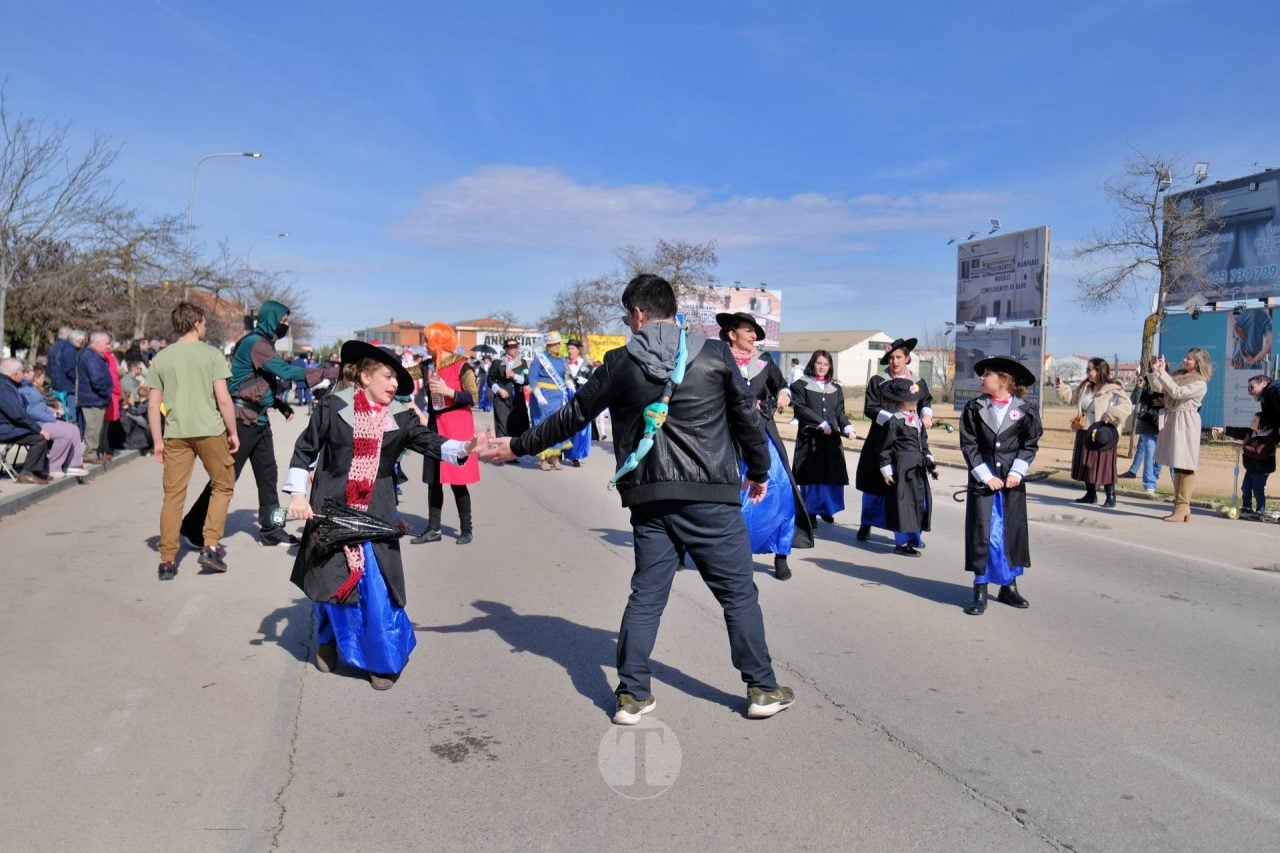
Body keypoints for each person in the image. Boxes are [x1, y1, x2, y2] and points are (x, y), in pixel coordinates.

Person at [479, 274, 796, 724]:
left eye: (628, 315)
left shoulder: (619, 363)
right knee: (738, 594)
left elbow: (573, 415)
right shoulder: (715, 354)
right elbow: (746, 416)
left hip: (649, 497)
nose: (629, 323)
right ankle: (762, 689)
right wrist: (759, 472)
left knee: (646, 596)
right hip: (711, 496)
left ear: (640, 313)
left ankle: (632, 696)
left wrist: (515, 445)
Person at [284, 341, 482, 690]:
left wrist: (464, 448)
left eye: (396, 379)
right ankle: (328, 639)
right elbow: (304, 451)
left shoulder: (401, 416)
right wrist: (298, 495)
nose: (393, 385)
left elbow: (429, 442)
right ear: (364, 376)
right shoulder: (332, 407)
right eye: (387, 376)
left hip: (376, 513)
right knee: (331, 584)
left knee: (376, 589)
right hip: (331, 510)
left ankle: (381, 658)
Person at [180, 300, 338, 548]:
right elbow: (285, 372)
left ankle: (272, 529)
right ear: (271, 319)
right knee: (225, 478)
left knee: (268, 476)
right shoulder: (256, 344)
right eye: (283, 321)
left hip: (259, 422)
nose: (285, 325)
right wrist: (327, 373)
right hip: (242, 422)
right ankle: (192, 527)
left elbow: (256, 383)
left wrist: (277, 403)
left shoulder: (264, 344)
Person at [144, 302, 241, 580]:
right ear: (196, 322)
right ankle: (210, 544)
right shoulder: (212, 355)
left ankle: (167, 559)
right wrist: (232, 432)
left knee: (173, 495)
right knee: (223, 485)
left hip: (175, 432)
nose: (206, 326)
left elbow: (153, 405)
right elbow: (223, 398)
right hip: (209, 429)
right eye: (204, 322)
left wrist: (157, 440)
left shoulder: (162, 358)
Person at [717, 311, 813, 580]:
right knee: (730, 496)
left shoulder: (764, 362)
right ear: (732, 334)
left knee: (780, 492)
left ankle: (781, 554)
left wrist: (783, 394)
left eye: (755, 332)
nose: (753, 336)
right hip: (728, 435)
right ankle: (724, 551)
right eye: (748, 330)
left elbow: (782, 386)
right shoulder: (719, 360)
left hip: (762, 435)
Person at [959, 357, 1042, 615]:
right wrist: (985, 476)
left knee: (1010, 532)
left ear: (1003, 380)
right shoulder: (974, 408)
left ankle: (1009, 586)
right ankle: (980, 588)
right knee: (982, 533)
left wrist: (1018, 471)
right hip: (983, 483)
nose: (981, 378)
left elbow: (1030, 444)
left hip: (1011, 483)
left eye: (986, 374)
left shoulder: (1025, 410)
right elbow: (969, 445)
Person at [855, 338, 932, 543]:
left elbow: (925, 401)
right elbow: (870, 408)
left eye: (898, 357)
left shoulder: (917, 382)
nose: (894, 361)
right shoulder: (878, 380)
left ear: (907, 358)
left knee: (906, 488)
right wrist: (895, 420)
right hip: (881, 438)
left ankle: (908, 532)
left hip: (908, 442)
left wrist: (926, 415)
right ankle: (867, 522)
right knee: (875, 485)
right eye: (891, 358)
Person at [411, 323, 480, 545]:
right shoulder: (428, 366)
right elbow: (404, 374)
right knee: (434, 480)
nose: (425, 345)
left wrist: (449, 392)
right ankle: (434, 529)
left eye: (427, 340)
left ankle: (466, 529)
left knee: (457, 481)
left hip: (456, 426)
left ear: (437, 341)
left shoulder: (462, 366)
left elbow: (473, 397)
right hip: (433, 426)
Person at [790, 349, 857, 526]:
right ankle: (810, 511)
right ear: (813, 363)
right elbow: (800, 409)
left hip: (831, 439)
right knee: (812, 477)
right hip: (811, 437)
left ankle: (826, 508)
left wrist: (848, 426)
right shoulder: (800, 385)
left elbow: (839, 413)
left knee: (830, 475)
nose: (822, 367)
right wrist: (820, 422)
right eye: (819, 363)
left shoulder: (835, 388)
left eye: (826, 364)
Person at [1146, 348, 1212, 522]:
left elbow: (1177, 393)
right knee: (1176, 463)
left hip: (1186, 421)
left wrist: (1162, 372)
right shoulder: (1178, 376)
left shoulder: (1200, 383)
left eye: (1189, 359)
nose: (1184, 360)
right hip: (1173, 419)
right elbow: (1160, 387)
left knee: (1185, 463)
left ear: (1198, 362)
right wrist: (1155, 371)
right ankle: (1180, 507)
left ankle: (1182, 506)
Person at [876, 378, 936, 557]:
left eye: (917, 399)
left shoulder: (917, 421)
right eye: (911, 399)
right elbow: (885, 449)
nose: (915, 402)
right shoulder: (894, 421)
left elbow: (923, 445)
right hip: (902, 469)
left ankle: (914, 538)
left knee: (920, 504)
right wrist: (886, 471)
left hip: (918, 469)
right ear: (901, 400)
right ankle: (901, 543)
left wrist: (931, 463)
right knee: (904, 505)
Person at [1069, 358, 1131, 508]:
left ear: (1099, 370)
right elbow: (1072, 399)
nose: (1087, 373)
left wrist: (1111, 414)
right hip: (1085, 429)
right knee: (1085, 463)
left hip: (1103, 432)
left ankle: (1111, 496)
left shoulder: (1113, 388)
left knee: (1105, 464)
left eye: (1089, 369)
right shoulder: (1086, 387)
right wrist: (1060, 387)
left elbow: (1126, 406)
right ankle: (1091, 494)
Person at [18, 364, 86, 478]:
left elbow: (41, 407)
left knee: (74, 429)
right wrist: (51, 416)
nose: (31, 373)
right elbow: (30, 411)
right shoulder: (22, 390)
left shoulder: (29, 388)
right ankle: (53, 466)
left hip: (44, 419)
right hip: (37, 423)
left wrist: (53, 412)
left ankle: (73, 464)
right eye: (28, 371)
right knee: (65, 433)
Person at [526, 332, 574, 470]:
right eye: (556, 344)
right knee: (543, 427)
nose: (559, 346)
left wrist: (569, 383)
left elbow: (566, 375)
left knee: (557, 426)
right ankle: (543, 459)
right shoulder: (539, 359)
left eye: (559, 343)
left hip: (557, 398)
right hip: (543, 398)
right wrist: (538, 394)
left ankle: (555, 458)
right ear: (549, 345)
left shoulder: (562, 360)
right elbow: (532, 378)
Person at [0, 358, 52, 484]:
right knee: (39, 438)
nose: (24, 375)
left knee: (44, 435)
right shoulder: (4, 387)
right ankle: (26, 473)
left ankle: (37, 471)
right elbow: (17, 414)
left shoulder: (7, 384)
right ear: (15, 374)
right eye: (22, 372)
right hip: (4, 427)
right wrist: (38, 429)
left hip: (8, 425)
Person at [1119, 362, 1164, 496]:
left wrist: (1163, 402)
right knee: (1149, 454)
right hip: (1147, 422)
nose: (1153, 368)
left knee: (1159, 457)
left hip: (1162, 422)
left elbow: (1173, 397)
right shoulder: (1145, 381)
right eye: (1151, 366)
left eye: (1156, 366)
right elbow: (1134, 400)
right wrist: (1139, 387)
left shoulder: (1166, 380)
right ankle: (1149, 484)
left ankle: (1154, 477)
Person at [487, 337, 530, 454]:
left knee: (515, 425)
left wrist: (514, 376)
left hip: (517, 398)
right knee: (502, 424)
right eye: (511, 348)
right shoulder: (497, 362)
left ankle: (511, 452)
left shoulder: (522, 362)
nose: (514, 350)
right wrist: (499, 390)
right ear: (505, 349)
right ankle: (500, 452)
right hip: (502, 397)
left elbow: (527, 380)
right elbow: (490, 379)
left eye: (516, 347)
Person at [562, 338, 593, 467]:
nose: (570, 351)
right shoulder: (563, 362)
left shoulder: (586, 364)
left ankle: (576, 456)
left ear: (578, 350)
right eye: (568, 348)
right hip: (566, 395)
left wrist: (584, 381)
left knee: (580, 426)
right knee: (564, 424)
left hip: (581, 396)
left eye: (572, 348)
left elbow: (592, 381)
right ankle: (560, 452)